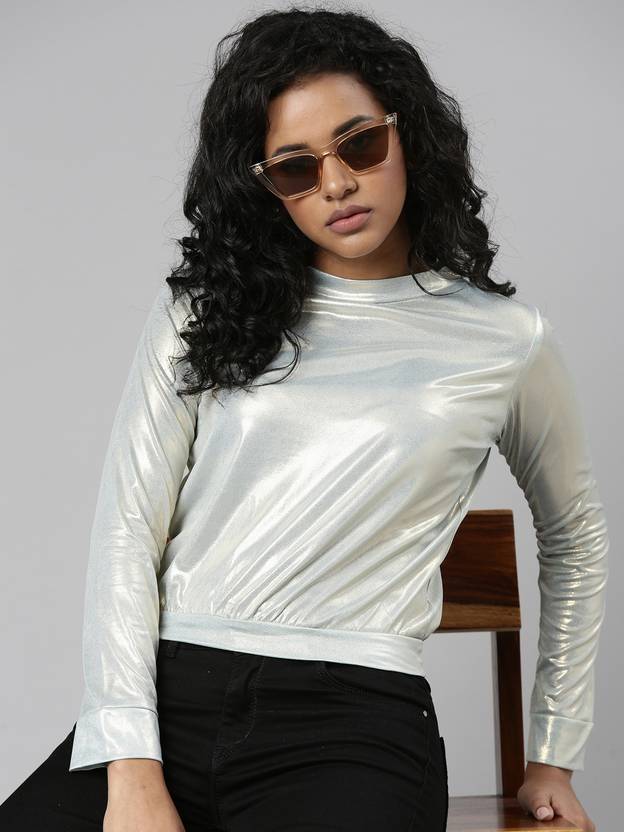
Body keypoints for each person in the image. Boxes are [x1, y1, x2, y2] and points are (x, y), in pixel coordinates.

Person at [0, 7, 608, 832]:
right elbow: (127, 531)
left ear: (408, 134)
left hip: (352, 727)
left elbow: (575, 535)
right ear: (265, 186)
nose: (336, 184)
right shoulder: (205, 313)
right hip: (166, 704)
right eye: (295, 168)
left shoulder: (504, 340)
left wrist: (554, 751)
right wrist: (132, 766)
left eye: (360, 144)